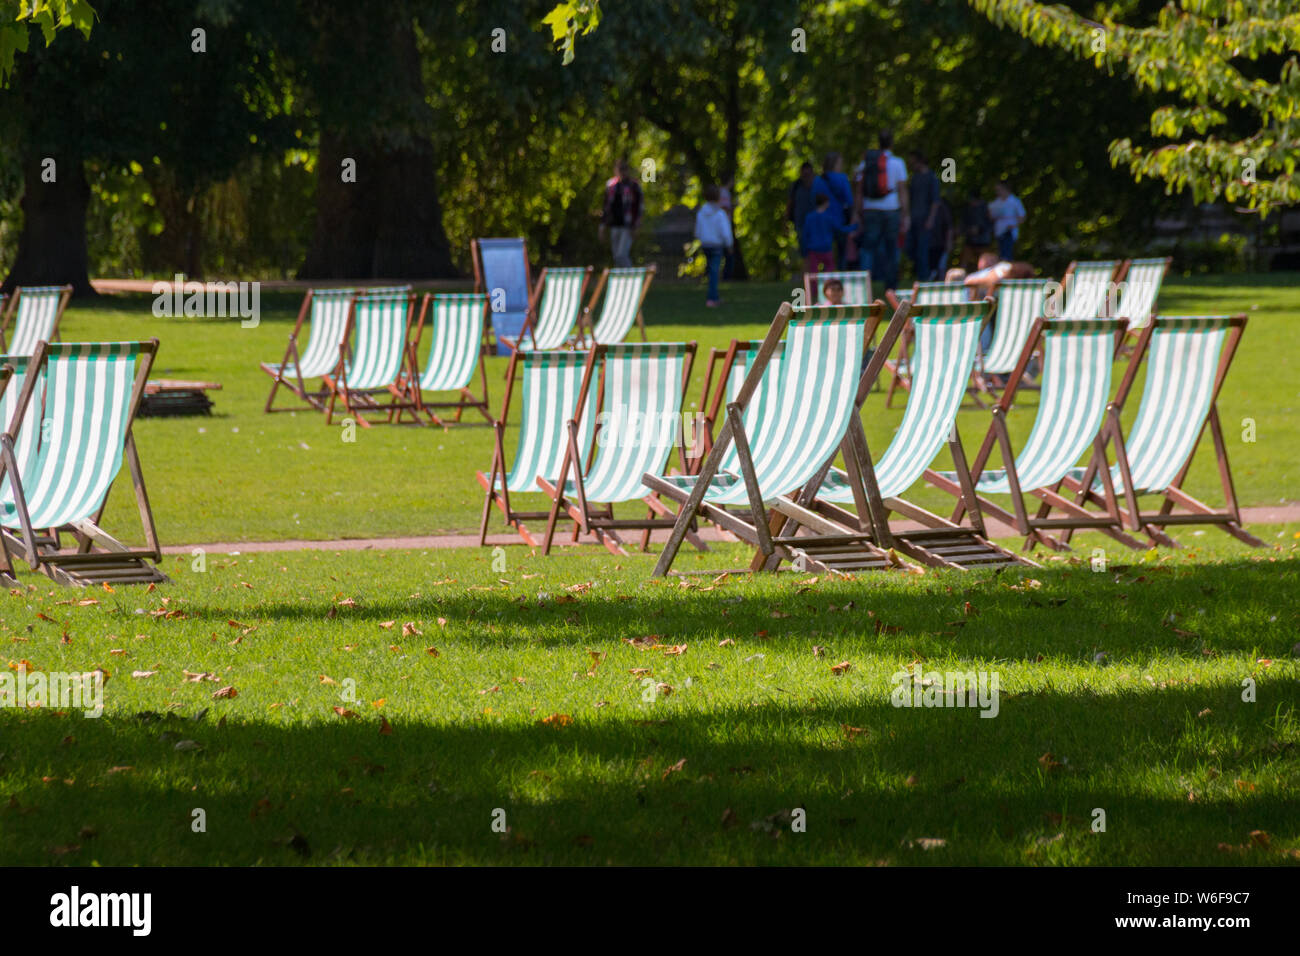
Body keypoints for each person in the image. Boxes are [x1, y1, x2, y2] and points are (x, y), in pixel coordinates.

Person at [855, 129, 908, 292]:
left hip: (870, 209)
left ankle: (864, 286)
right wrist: (906, 215)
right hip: (892, 210)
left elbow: (858, 190)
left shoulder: (866, 163)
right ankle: (891, 286)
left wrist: (858, 213)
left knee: (868, 248)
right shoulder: (898, 163)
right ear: (892, 143)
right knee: (892, 248)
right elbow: (902, 190)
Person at [801, 194, 858, 300]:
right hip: (826, 249)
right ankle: (828, 291)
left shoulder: (809, 217)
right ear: (826, 202)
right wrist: (854, 227)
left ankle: (814, 293)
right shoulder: (828, 217)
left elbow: (805, 235)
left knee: (814, 272)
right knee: (830, 271)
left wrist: (804, 249)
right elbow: (841, 229)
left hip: (813, 249)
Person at [811, 152, 853, 267]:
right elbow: (849, 200)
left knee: (824, 250)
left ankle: (823, 274)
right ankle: (840, 272)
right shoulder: (842, 178)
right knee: (841, 251)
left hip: (821, 221)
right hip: (839, 219)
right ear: (836, 164)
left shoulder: (818, 180)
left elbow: (813, 199)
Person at [695, 184, 733, 307]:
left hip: (706, 244)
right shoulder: (720, 214)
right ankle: (712, 298)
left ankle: (713, 296)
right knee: (714, 272)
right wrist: (729, 244)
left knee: (712, 271)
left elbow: (698, 231)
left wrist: (701, 239)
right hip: (716, 245)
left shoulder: (701, 212)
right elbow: (725, 231)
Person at [600, 159, 643, 267]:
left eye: (625, 169)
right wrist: (602, 226)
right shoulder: (611, 186)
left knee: (621, 255)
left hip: (628, 226)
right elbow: (606, 207)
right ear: (616, 171)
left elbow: (639, 208)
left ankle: (632, 279)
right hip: (614, 225)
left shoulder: (634, 186)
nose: (622, 172)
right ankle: (620, 281)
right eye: (620, 169)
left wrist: (636, 226)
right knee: (616, 257)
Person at [905, 150, 940, 281]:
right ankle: (920, 276)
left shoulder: (932, 177)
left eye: (913, 162)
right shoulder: (914, 178)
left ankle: (924, 277)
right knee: (911, 249)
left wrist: (931, 219)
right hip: (913, 219)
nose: (911, 165)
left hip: (925, 219)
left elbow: (935, 201)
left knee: (922, 250)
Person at [988, 179, 1026, 261]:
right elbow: (990, 216)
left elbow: (1022, 217)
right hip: (999, 231)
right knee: (1001, 255)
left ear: (1005, 189)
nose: (997, 192)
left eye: (999, 190)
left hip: (1009, 232)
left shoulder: (1015, 201)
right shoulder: (996, 202)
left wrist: (1013, 225)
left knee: (1007, 255)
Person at [786, 161, 817, 257]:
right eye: (804, 174)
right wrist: (785, 222)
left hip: (816, 224)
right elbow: (790, 204)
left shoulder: (818, 185)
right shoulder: (796, 186)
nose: (806, 177)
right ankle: (807, 270)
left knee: (817, 251)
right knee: (804, 253)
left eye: (808, 174)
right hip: (800, 224)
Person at [959, 189, 994, 269]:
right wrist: (968, 230)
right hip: (970, 240)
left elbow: (990, 224)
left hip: (983, 240)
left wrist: (980, 230)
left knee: (985, 262)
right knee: (964, 260)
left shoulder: (986, 208)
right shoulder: (967, 209)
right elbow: (963, 223)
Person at [928, 194, 953, 280]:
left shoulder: (943, 209)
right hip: (929, 244)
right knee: (933, 267)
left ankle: (941, 282)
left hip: (940, 244)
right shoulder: (925, 205)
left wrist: (948, 242)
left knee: (940, 267)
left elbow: (949, 227)